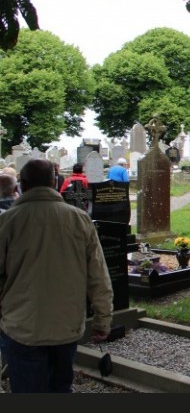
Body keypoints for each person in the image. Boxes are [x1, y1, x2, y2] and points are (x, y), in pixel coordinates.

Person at [0, 159, 113, 393]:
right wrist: (103, 318)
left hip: (22, 326)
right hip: (66, 325)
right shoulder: (79, 219)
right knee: (60, 387)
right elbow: (98, 275)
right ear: (54, 182)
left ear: (22, 184)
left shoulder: (8, 221)